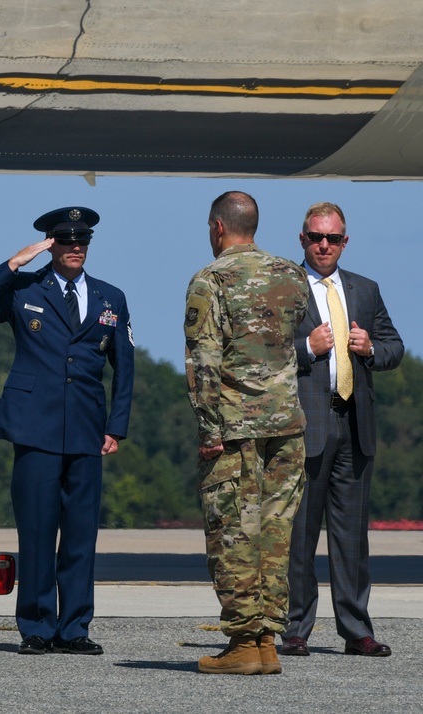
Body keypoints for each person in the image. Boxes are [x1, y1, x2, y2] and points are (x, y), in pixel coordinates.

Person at [0, 206, 134, 656]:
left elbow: (125, 368)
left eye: (82, 242)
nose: (75, 248)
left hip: (86, 429)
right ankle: (37, 626)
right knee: (37, 534)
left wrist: (116, 426)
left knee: (80, 537)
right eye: (65, 241)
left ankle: (75, 628)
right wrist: (14, 263)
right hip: (35, 427)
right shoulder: (24, 288)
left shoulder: (109, 297)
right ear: (50, 245)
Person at [183, 191, 308, 675]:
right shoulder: (290, 275)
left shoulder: (210, 279)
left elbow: (204, 360)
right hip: (287, 425)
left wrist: (209, 427)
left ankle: (242, 644)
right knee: (276, 534)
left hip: (234, 427)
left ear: (218, 228)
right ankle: (267, 642)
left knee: (234, 532)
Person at [281, 203, 404, 658]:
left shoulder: (364, 289)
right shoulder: (284, 288)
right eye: (316, 237)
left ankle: (356, 630)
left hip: (353, 423)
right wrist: (305, 348)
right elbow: (261, 352)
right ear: (302, 239)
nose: (324, 246)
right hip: (304, 426)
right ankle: (295, 629)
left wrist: (371, 348)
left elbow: (396, 346)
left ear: (345, 241)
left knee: (352, 537)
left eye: (332, 238)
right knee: (300, 535)